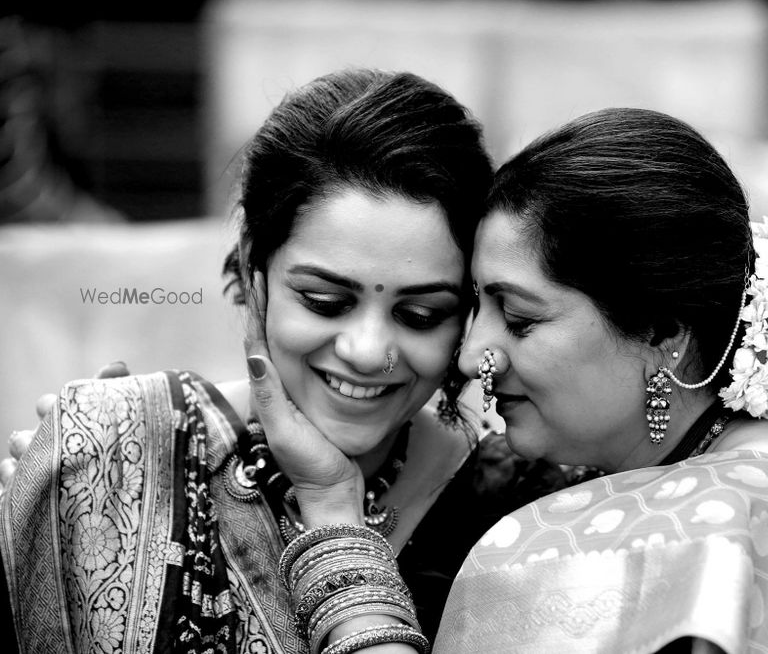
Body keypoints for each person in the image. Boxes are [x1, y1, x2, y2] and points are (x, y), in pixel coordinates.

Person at [0, 68, 567, 653]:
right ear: (254, 269)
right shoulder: (118, 455)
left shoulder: (526, 516)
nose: (368, 351)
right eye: (325, 302)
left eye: (420, 314)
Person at [430, 108, 768, 652]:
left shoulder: (750, 522)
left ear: (664, 332)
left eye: (519, 320)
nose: (473, 356)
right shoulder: (724, 483)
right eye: (477, 306)